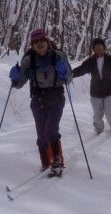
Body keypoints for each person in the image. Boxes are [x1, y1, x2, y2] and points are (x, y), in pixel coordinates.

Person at [8, 29, 72, 176]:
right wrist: (15, 78)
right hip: (37, 99)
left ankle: (57, 161)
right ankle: (45, 161)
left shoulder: (58, 56)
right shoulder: (28, 60)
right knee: (41, 134)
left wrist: (63, 72)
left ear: (47, 40)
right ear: (32, 44)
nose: (39, 44)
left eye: (41, 40)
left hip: (56, 97)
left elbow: (68, 79)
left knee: (51, 130)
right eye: (35, 42)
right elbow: (19, 84)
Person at [72, 38, 111, 134]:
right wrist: (70, 74)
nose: (98, 48)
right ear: (94, 49)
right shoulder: (90, 61)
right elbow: (81, 69)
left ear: (104, 48)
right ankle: (99, 129)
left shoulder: (110, 59)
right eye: (96, 47)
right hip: (96, 91)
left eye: (100, 46)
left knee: (110, 112)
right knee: (97, 114)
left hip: (110, 91)